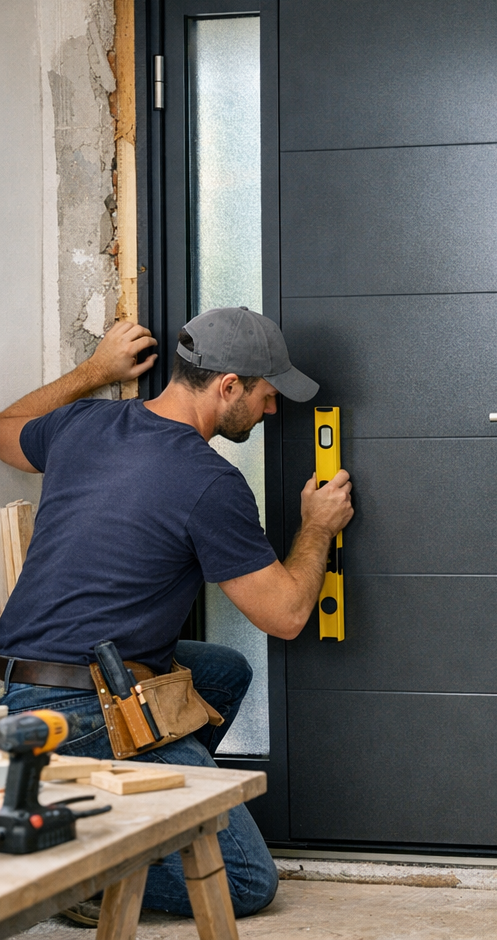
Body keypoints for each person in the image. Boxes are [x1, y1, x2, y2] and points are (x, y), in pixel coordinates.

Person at [0, 306, 353, 925]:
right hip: (86, 711)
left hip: (16, 686)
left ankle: (144, 807)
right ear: (228, 387)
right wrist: (317, 528)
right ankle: (75, 866)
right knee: (246, 881)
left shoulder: (83, 425)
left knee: (222, 672)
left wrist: (92, 372)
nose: (273, 411)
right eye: (268, 396)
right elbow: (289, 615)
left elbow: (6, 428)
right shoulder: (208, 481)